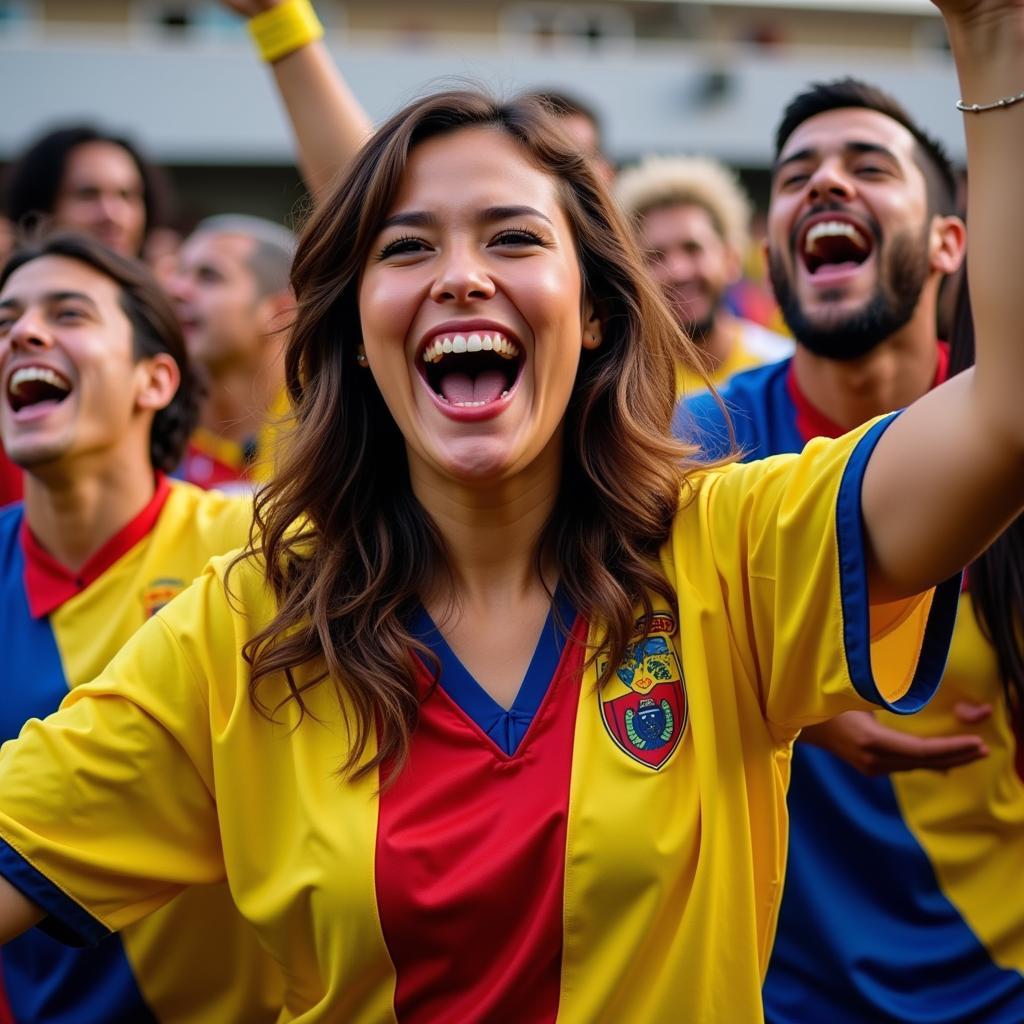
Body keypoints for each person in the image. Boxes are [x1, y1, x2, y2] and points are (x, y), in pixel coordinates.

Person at [0, 2, 1017, 1020]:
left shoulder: (728, 549)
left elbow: (1004, 415)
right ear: (357, 327)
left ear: (592, 313)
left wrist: (994, 34)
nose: (460, 276)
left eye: (513, 237)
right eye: (406, 250)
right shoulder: (241, 625)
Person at [683, 77, 1024, 1022]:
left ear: (952, 241)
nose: (826, 185)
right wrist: (777, 674)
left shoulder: (1011, 440)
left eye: (867, 167)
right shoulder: (693, 442)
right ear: (772, 253)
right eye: (796, 177)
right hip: (783, 995)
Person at [0, 233, 282, 1021]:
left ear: (156, 378)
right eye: (5, 319)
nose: (22, 334)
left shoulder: (253, 543)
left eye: (68, 313)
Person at [616, 154, 792, 393]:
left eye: (693, 248)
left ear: (731, 259)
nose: (678, 271)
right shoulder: (627, 388)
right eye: (656, 256)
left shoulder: (782, 368)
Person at [168, 214, 295, 492]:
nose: (176, 290)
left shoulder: (330, 428)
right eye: (179, 273)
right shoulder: (149, 418)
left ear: (281, 312)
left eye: (209, 276)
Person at [2, 125, 170, 260]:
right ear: (41, 206)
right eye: (88, 195)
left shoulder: (168, 299)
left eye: (126, 195)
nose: (112, 215)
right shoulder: (16, 298)